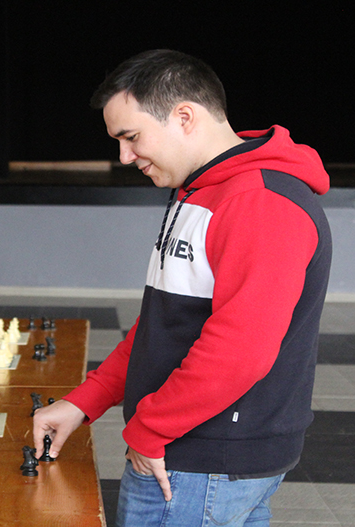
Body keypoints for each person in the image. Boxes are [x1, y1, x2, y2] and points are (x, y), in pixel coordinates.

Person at [32, 50, 332, 526]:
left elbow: (241, 350)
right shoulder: (199, 192)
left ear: (184, 116)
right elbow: (163, 325)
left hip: (200, 460)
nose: (125, 156)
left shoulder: (259, 202)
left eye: (131, 138)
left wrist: (150, 430)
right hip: (190, 452)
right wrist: (83, 402)